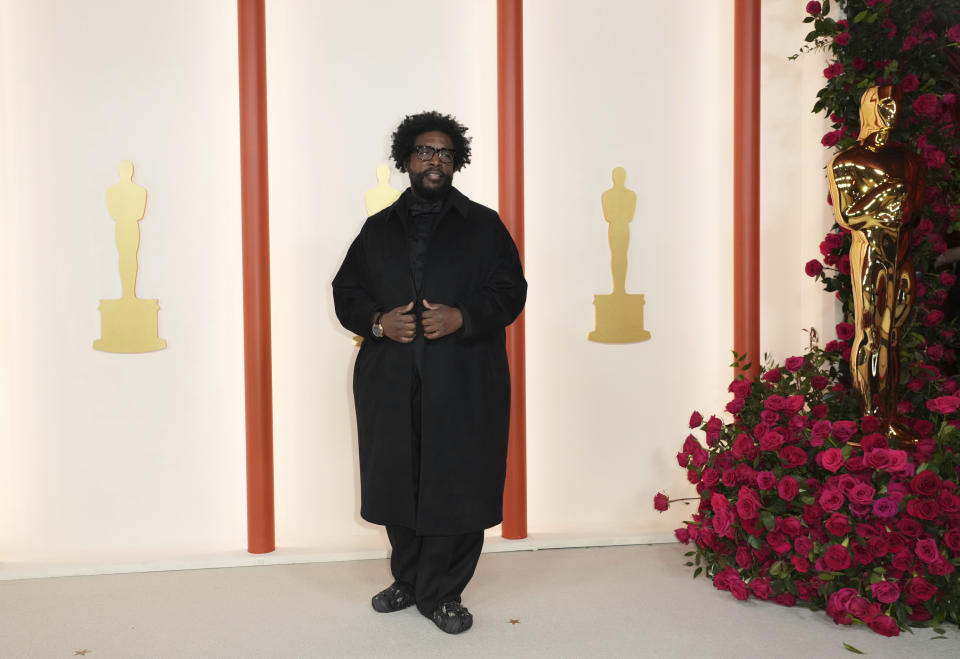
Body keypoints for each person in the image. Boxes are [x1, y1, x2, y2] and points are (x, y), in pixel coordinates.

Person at [332, 111, 527, 634]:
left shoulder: (484, 226)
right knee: (398, 479)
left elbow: (512, 291)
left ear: (457, 161)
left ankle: (445, 592)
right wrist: (377, 322)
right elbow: (346, 292)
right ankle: (411, 579)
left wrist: (464, 316)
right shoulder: (377, 229)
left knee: (458, 481)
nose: (434, 161)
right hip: (392, 382)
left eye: (444, 153)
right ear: (406, 160)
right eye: (424, 152)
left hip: (464, 380)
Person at [827, 85, 925, 445]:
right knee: (869, 335)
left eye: (896, 104)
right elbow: (848, 215)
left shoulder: (909, 159)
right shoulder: (848, 160)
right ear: (868, 107)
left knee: (892, 337)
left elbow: (914, 209)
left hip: (901, 254)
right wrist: (885, 195)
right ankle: (869, 420)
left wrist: (899, 204)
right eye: (883, 103)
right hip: (869, 253)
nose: (891, 110)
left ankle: (891, 417)